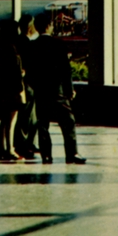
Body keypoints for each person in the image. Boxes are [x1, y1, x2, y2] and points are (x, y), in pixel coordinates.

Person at [29, 13, 86, 165]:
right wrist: (69, 89)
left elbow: (30, 71)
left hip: (41, 92)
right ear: (49, 26)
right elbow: (65, 70)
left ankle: (46, 155)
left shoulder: (33, 46)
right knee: (68, 122)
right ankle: (72, 153)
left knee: (43, 125)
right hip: (57, 91)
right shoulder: (59, 45)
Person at [0, 20, 25, 162]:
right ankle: (10, 149)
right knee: (12, 120)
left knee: (4, 120)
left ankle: (1, 148)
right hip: (13, 88)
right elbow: (17, 73)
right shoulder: (12, 49)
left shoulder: (0, 47)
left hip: (2, 86)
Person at [14, 14, 39, 158]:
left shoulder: (18, 41)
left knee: (29, 115)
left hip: (26, 84)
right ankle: (25, 144)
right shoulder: (26, 43)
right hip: (28, 84)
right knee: (27, 116)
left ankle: (27, 142)